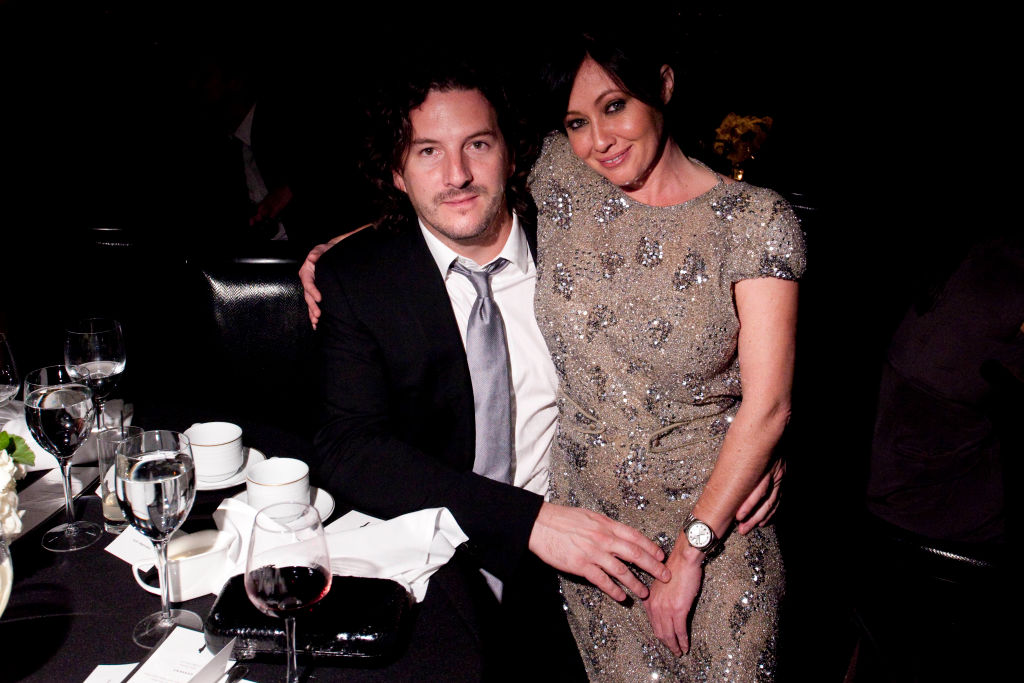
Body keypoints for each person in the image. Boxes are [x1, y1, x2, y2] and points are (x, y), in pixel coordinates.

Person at [303, 49, 789, 681]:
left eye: (477, 144)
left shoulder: (574, 234)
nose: (456, 174)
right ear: (397, 171)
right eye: (427, 152)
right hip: (430, 563)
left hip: (583, 567)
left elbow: (695, 339)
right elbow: (348, 449)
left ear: (514, 153)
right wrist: (526, 522)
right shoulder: (358, 279)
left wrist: (752, 445)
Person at [524, 33, 804, 680]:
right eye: (576, 121)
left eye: (615, 106)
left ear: (664, 86)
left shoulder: (753, 220)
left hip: (715, 529)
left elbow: (769, 404)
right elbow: (452, 189)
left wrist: (693, 549)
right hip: (593, 542)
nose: (598, 139)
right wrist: (340, 245)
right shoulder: (556, 176)